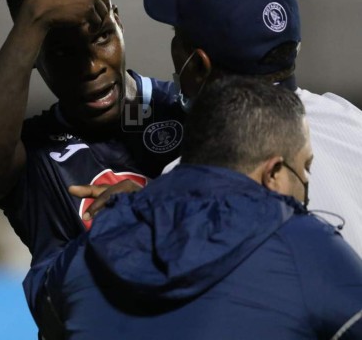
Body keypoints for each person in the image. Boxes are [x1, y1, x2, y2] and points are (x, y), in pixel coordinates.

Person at [0, 0, 183, 328]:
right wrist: (33, 18)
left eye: (101, 37)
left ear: (119, 22)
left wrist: (156, 207)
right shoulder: (37, 152)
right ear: (34, 60)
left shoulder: (186, 112)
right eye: (63, 53)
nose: (92, 66)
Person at [77, 0, 362, 257]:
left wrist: (150, 213)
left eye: (177, 35)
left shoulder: (188, 181)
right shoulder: (350, 121)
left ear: (199, 65)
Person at [43, 76, 362, 340]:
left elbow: (49, 317)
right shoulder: (307, 247)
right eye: (305, 169)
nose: (306, 183)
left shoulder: (88, 251)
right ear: (274, 173)